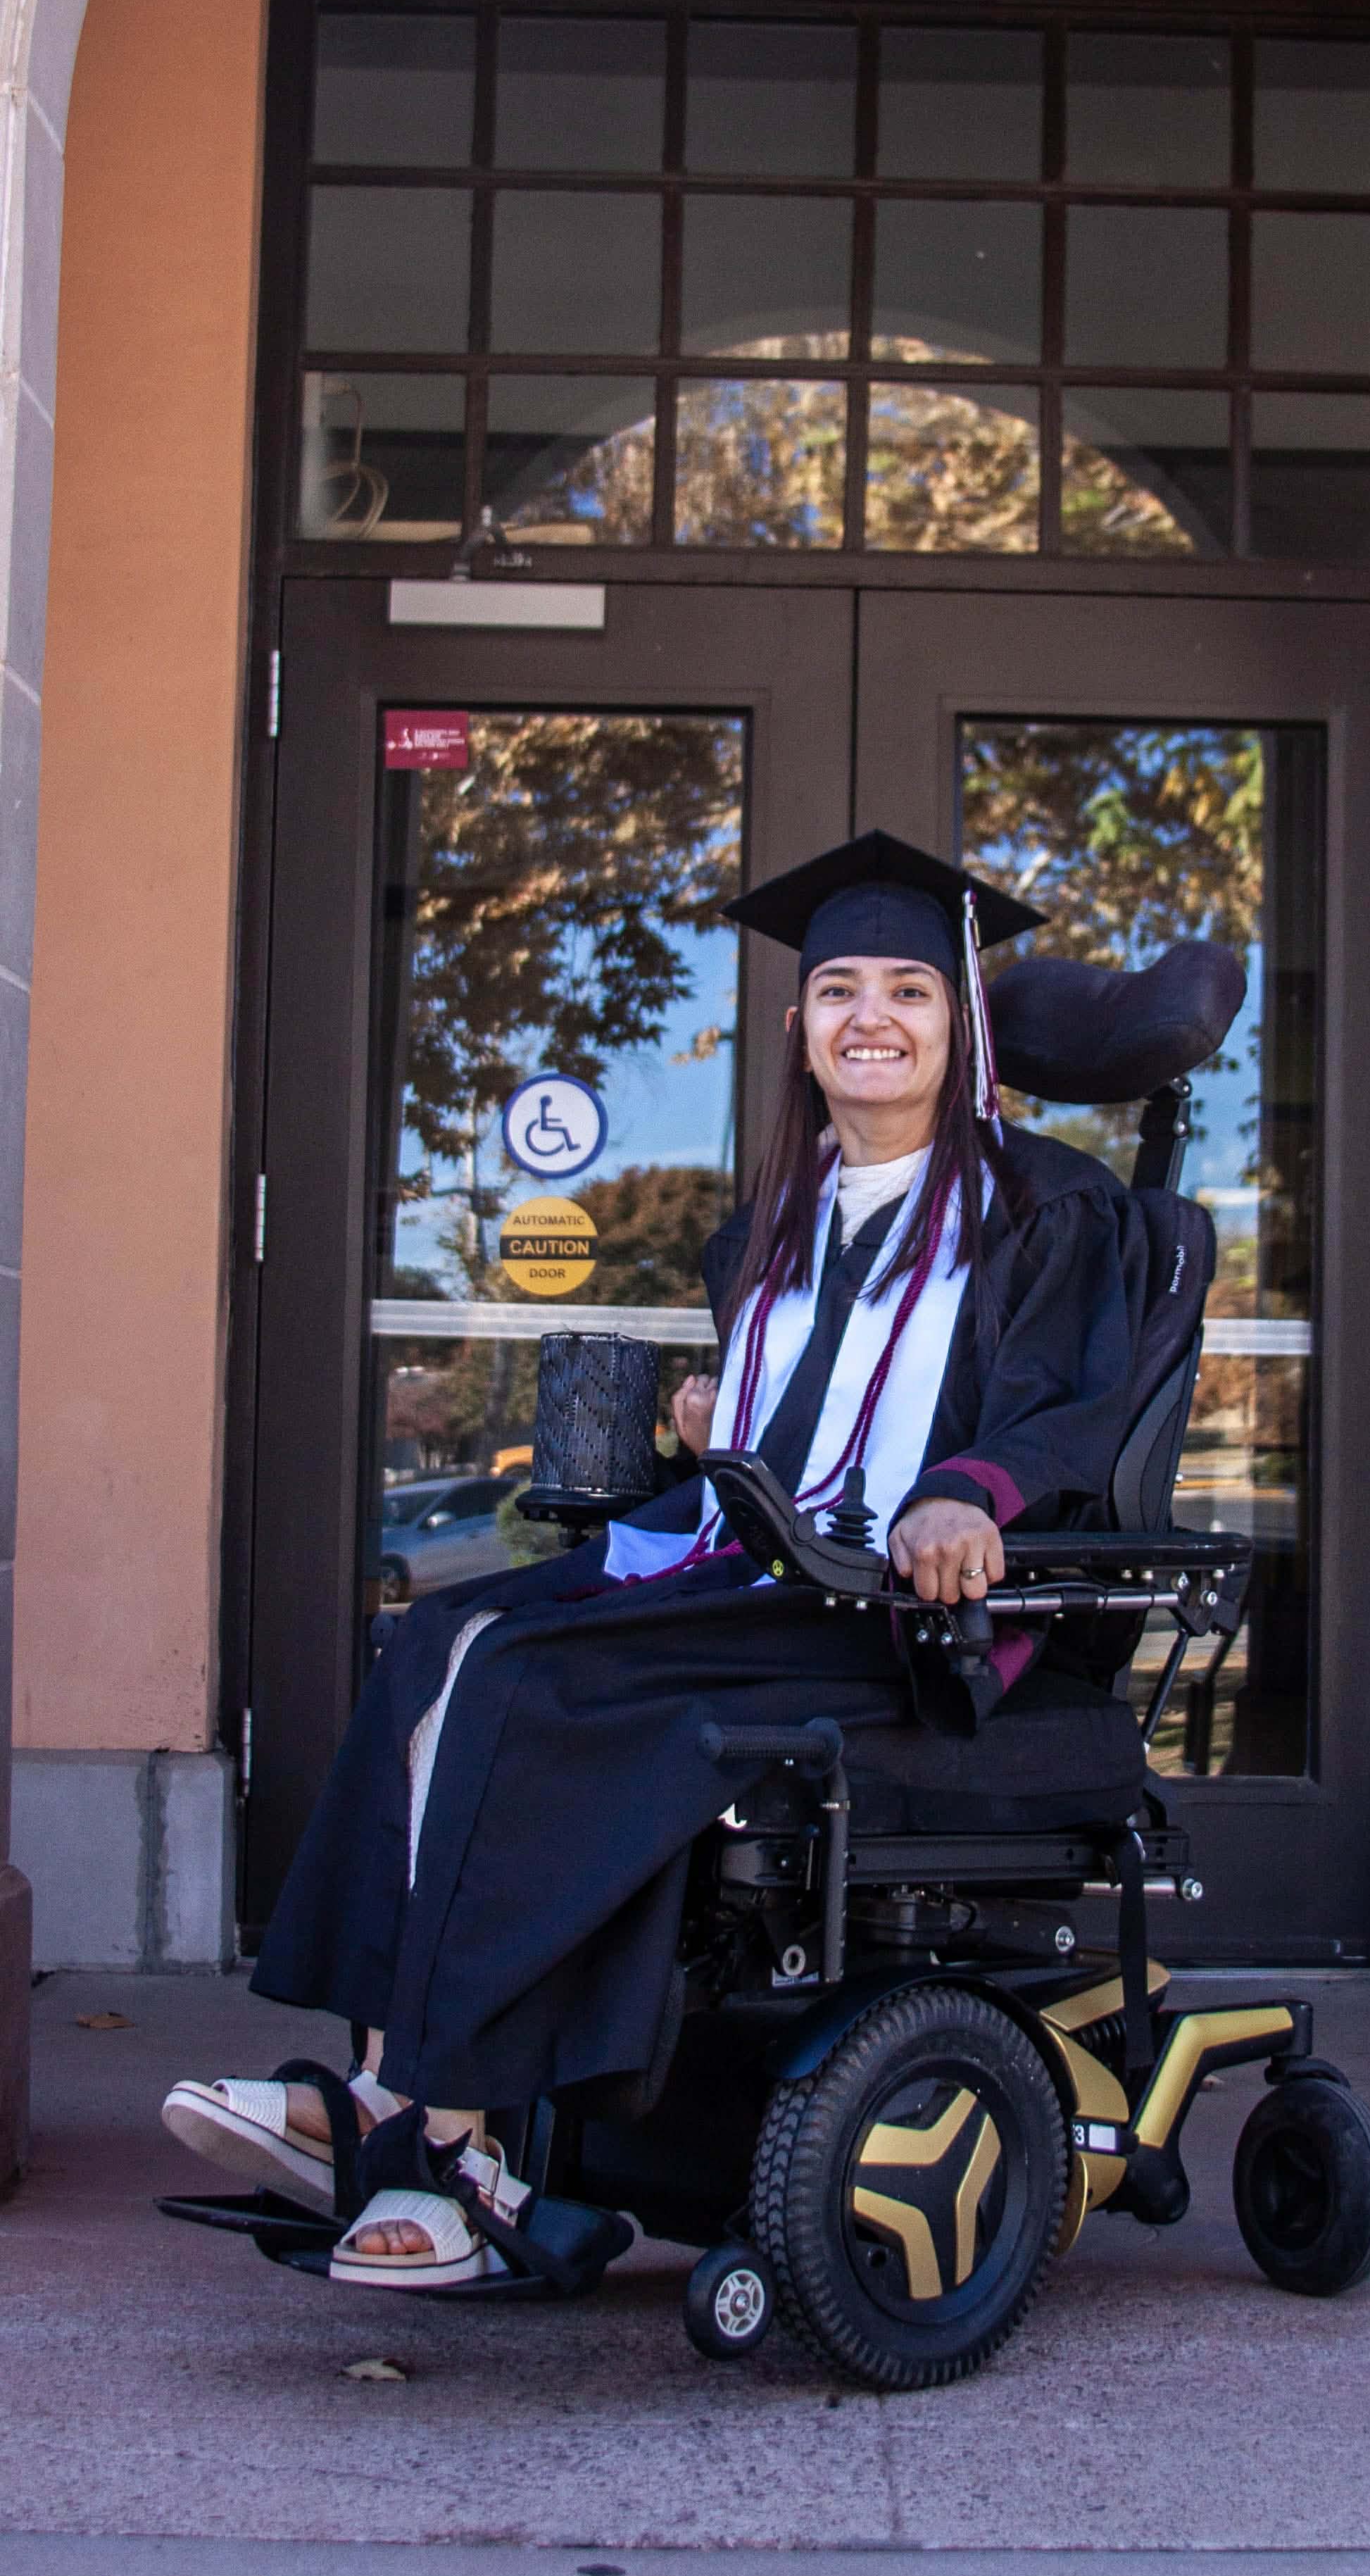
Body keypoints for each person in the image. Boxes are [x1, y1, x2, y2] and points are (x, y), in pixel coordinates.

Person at [161, 832, 1150, 2289]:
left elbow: (1068, 1402)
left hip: (893, 1615)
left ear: (961, 1024)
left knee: (529, 1684)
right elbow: (803, 1429)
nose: (869, 1016)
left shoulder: (1038, 1203)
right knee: (436, 1644)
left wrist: (966, 1495)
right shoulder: (774, 1219)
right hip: (754, 1569)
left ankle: (451, 2137)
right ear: (800, 1029)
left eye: (908, 991)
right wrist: (718, 1428)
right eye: (836, 990)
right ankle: (377, 2084)